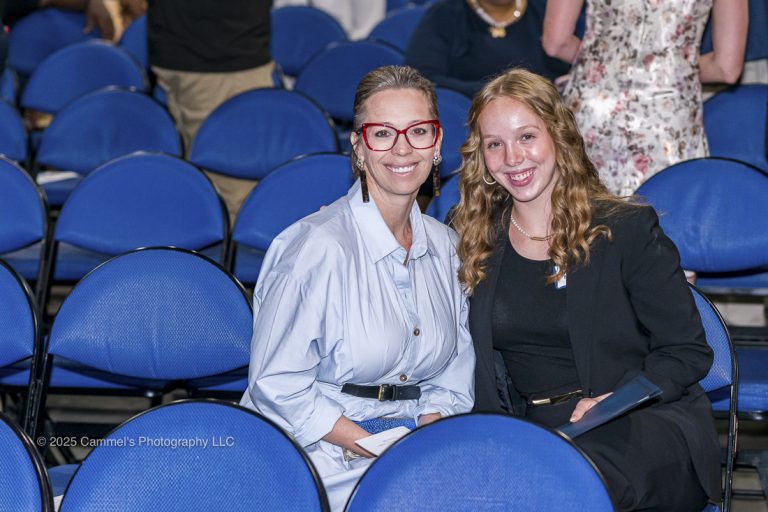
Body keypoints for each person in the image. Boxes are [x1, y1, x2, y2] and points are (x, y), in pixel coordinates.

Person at [451, 68, 720, 511]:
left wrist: (621, 398)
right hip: (534, 427)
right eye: (494, 144)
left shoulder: (625, 228)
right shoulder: (474, 237)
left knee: (563, 483)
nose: (512, 157)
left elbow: (687, 351)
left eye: (526, 137)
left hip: (636, 420)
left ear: (558, 136)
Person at [241, 65, 475, 511]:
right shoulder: (315, 249)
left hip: (408, 441)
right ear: (358, 146)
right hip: (315, 452)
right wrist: (377, 447)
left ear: (437, 142)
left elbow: (454, 370)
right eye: (382, 133)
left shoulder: (446, 247)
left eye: (418, 131)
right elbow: (276, 385)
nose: (403, 148)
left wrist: (426, 438)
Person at [542, 0, 748, 195]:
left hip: (593, 109)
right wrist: (670, 71)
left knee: (580, 209)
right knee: (668, 208)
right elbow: (726, 69)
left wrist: (603, 65)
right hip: (668, 120)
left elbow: (556, 43)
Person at [405, 0, 568, 97]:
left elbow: (567, 73)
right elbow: (420, 78)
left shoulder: (547, 11)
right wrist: (502, 92)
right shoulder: (445, 15)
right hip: (469, 117)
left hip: (545, 114)